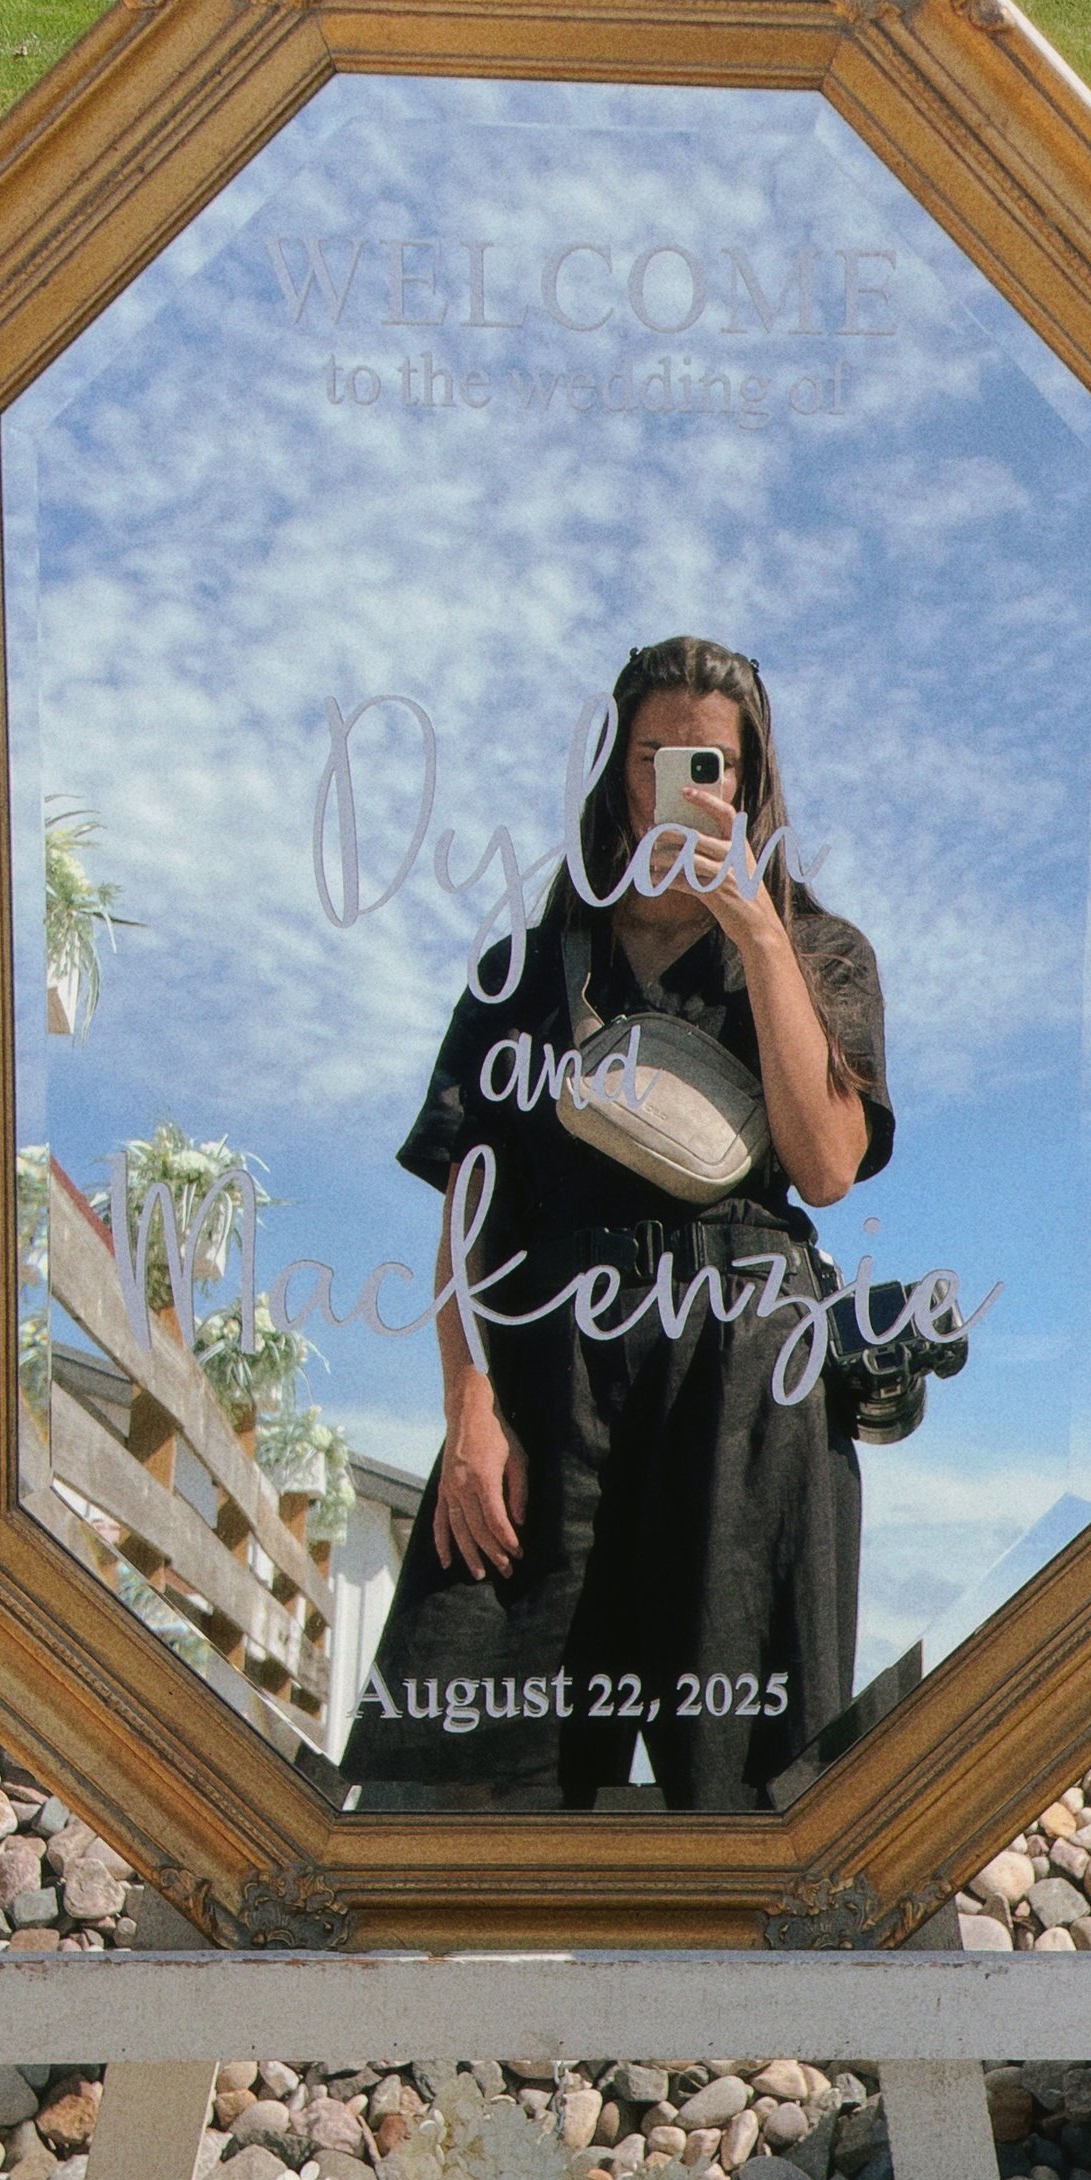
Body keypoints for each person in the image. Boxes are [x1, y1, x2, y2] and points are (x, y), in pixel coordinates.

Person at [343, 636, 891, 1811]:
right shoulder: (526, 969)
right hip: (550, 1367)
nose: (683, 785)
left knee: (757, 1780)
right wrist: (470, 1408)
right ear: (615, 773)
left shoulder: (817, 951)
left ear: (746, 784)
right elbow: (466, 1214)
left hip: (748, 1371)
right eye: (655, 758)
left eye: (711, 763)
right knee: (451, 1760)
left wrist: (756, 932)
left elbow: (829, 1165)